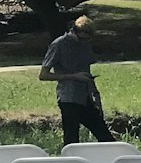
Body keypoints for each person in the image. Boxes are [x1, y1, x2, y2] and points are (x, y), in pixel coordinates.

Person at [39, 15, 113, 144]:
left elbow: (87, 72)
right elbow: (43, 75)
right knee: (71, 139)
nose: (87, 41)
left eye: (89, 39)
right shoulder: (58, 45)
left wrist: (96, 95)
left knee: (106, 137)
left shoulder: (84, 45)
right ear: (76, 31)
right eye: (85, 38)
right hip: (69, 98)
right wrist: (73, 76)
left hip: (85, 98)